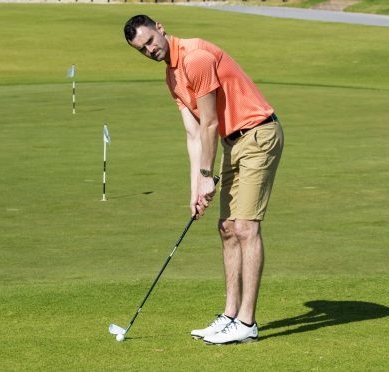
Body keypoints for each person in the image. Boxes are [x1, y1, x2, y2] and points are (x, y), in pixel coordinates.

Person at [124, 15, 284, 345]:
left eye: (151, 41)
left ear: (160, 27)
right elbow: (193, 134)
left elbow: (210, 123)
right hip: (232, 142)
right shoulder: (172, 76)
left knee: (245, 227)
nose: (150, 50)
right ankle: (229, 316)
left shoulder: (195, 58)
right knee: (226, 228)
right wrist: (196, 187)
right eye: (142, 50)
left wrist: (208, 176)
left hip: (258, 134)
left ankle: (247, 322)